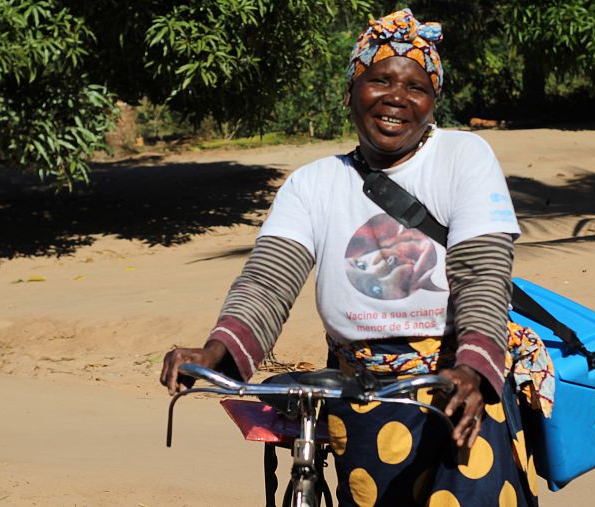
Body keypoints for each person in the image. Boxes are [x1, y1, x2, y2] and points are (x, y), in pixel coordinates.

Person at [161, 8, 541, 506]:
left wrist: (472, 368)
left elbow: (481, 274)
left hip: (453, 387)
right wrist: (217, 353)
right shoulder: (312, 184)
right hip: (355, 397)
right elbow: (268, 284)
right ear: (351, 90)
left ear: (434, 102)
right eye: (380, 79)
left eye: (416, 88)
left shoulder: (463, 158)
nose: (397, 99)